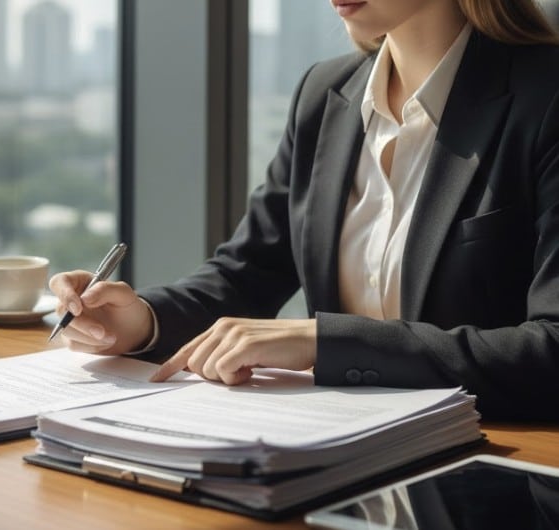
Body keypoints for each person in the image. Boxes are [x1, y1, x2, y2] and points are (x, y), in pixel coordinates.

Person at [49, 0, 559, 421]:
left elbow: (551, 349)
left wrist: (325, 342)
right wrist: (141, 321)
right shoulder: (325, 94)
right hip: (336, 449)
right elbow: (245, 274)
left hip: (497, 467)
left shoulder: (546, 99)